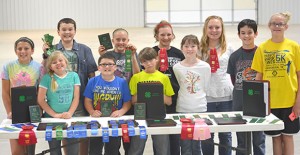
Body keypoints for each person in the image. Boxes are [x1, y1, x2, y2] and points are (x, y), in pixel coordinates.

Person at [42, 18, 98, 154]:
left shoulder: (85, 49)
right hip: (58, 101)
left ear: (75, 31)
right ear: (58, 32)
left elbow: (92, 75)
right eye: (64, 29)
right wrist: (45, 55)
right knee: (61, 137)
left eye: (70, 29)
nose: (67, 32)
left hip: (80, 101)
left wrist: (93, 97)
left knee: (80, 137)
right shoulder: (52, 50)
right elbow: (45, 71)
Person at [251, 12, 300, 155]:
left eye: (280, 24)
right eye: (274, 23)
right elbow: (259, 77)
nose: (277, 26)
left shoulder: (294, 47)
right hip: (270, 103)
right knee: (276, 138)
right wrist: (258, 103)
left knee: (288, 137)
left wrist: (298, 102)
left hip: (289, 102)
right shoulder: (262, 48)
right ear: (269, 26)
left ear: (286, 26)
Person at [98, 28, 140, 154]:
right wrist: (102, 56)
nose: (121, 42)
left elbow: (137, 75)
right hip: (112, 101)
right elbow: (102, 74)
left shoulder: (132, 54)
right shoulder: (108, 54)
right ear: (112, 41)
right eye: (118, 39)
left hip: (128, 101)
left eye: (124, 40)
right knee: (112, 143)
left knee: (129, 141)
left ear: (128, 40)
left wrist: (132, 56)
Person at [227, 19, 265, 155]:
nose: (246, 36)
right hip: (239, 102)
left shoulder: (262, 53)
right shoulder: (235, 56)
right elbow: (233, 79)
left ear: (256, 34)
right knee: (242, 140)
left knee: (258, 139)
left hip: (257, 102)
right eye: (243, 33)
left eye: (250, 32)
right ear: (239, 35)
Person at [128, 47, 174, 155]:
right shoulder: (136, 77)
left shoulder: (163, 78)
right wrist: (147, 92)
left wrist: (155, 92)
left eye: (151, 59)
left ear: (157, 59)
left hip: (159, 115)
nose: (149, 63)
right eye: (145, 61)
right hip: (140, 115)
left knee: (162, 149)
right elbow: (133, 101)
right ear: (141, 63)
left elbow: (169, 101)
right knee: (136, 148)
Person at [199, 15, 234, 155]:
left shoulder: (229, 48)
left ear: (222, 29)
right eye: (211, 27)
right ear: (205, 29)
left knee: (225, 134)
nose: (214, 30)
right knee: (207, 134)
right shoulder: (199, 48)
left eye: (217, 27)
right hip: (206, 97)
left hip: (226, 96)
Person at [84, 52, 132, 155]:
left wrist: (121, 111)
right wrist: (92, 111)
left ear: (115, 67)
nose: (107, 66)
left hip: (114, 121)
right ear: (99, 67)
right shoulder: (92, 81)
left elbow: (127, 102)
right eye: (103, 64)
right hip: (96, 121)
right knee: (94, 150)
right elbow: (87, 100)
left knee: (112, 150)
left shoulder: (122, 82)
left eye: (110, 64)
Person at [1, 37, 42, 155]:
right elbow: (5, 92)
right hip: (15, 113)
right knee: (16, 151)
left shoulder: (39, 68)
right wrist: (9, 111)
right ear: (15, 51)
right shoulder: (7, 67)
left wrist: (38, 111)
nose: (22, 51)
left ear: (32, 50)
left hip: (32, 112)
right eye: (19, 49)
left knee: (29, 150)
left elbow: (40, 92)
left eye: (26, 48)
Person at [173, 35, 211, 155]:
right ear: (182, 48)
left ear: (198, 47)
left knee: (197, 145)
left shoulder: (205, 67)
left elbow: (205, 86)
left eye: (193, 46)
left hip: (200, 109)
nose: (190, 49)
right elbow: (179, 85)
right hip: (183, 109)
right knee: (184, 145)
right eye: (186, 46)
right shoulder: (177, 67)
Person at [37, 51, 80, 155]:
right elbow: (41, 100)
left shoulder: (74, 76)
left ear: (66, 62)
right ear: (51, 67)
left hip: (70, 118)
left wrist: (69, 113)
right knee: (55, 151)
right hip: (52, 120)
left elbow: (76, 98)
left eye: (60, 60)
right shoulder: (47, 78)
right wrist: (55, 115)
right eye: (54, 62)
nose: (58, 63)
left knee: (73, 150)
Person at [152, 20, 185, 155]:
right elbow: (147, 74)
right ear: (157, 36)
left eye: (168, 35)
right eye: (162, 35)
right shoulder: (151, 52)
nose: (166, 38)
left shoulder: (179, 53)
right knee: (160, 139)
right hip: (157, 98)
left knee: (175, 137)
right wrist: (159, 59)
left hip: (176, 98)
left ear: (173, 36)